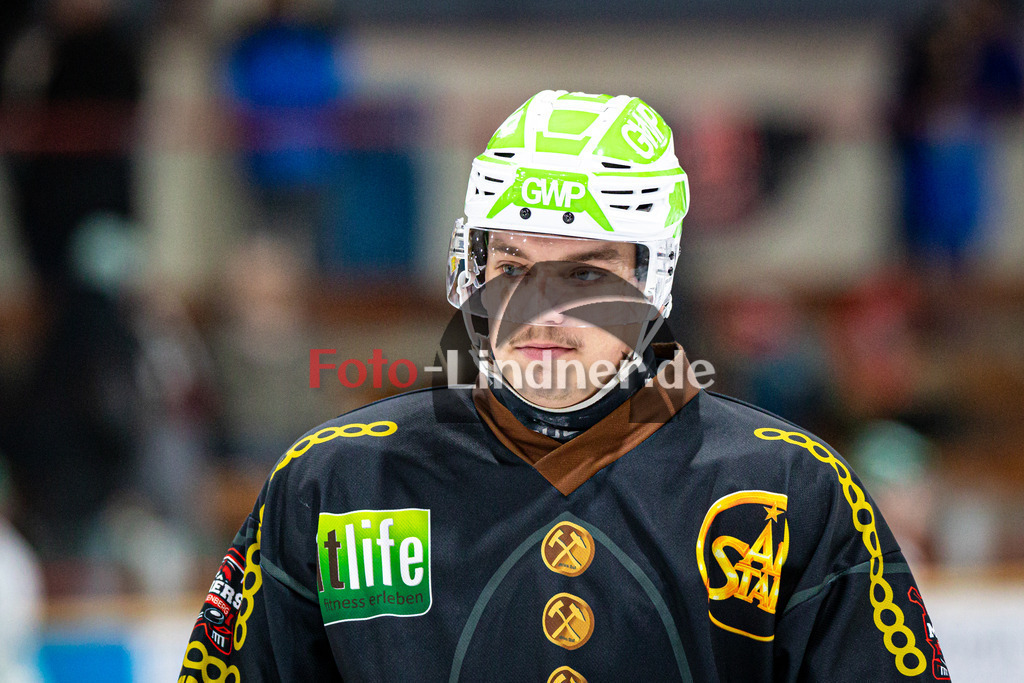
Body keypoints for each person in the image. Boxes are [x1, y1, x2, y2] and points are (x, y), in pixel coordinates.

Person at [180, 90, 949, 681]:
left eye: (585, 271)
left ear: (656, 280)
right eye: (512, 268)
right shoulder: (333, 485)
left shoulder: (793, 490)